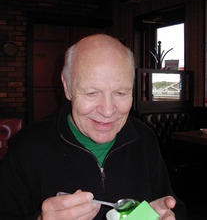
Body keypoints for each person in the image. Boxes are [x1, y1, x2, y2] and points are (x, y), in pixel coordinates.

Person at [0, 34, 186, 220]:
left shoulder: (144, 138)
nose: (107, 111)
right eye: (91, 93)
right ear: (67, 87)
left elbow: (171, 206)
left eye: (120, 93)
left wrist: (167, 216)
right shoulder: (26, 147)